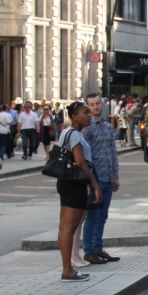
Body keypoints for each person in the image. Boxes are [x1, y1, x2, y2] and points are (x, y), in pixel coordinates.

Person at [55, 101, 103, 281]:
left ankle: (69, 268)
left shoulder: (67, 132)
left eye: (89, 113)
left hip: (67, 182)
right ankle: (68, 270)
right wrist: (95, 185)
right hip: (75, 183)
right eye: (85, 113)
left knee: (65, 228)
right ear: (74, 116)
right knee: (69, 228)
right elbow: (81, 162)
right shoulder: (74, 134)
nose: (89, 115)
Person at [81, 93, 121, 265]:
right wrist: (88, 181)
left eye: (98, 103)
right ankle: (89, 251)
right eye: (92, 105)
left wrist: (116, 176)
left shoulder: (107, 127)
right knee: (93, 216)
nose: (96, 107)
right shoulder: (87, 128)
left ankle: (98, 248)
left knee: (102, 215)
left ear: (102, 104)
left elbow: (113, 152)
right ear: (88, 107)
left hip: (108, 176)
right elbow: (83, 156)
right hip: (95, 178)